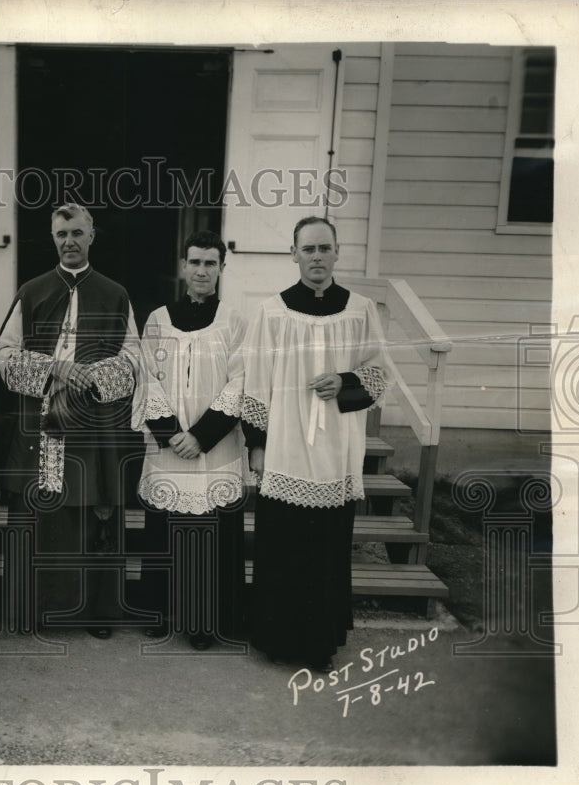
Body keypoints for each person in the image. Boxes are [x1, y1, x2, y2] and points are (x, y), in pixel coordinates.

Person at [241, 216, 392, 672]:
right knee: (282, 545)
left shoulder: (360, 310)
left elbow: (379, 373)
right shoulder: (272, 313)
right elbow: (255, 383)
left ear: (337, 253)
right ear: (294, 255)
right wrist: (258, 444)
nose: (317, 257)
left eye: (325, 248)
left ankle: (319, 642)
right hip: (286, 446)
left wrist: (345, 381)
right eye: (308, 249)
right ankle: (276, 637)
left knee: (325, 549)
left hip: (335, 450)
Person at [0, 203, 139, 639]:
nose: (69, 241)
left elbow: (133, 358)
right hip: (42, 423)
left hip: (92, 424)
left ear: (92, 236)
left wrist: (92, 378)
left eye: (77, 232)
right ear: (53, 239)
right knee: (40, 515)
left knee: (92, 514)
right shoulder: (33, 290)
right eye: (61, 234)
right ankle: (32, 610)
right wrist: (54, 370)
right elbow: (3, 354)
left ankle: (95, 612)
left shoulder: (115, 294)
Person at [132, 230, 247, 650]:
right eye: (195, 262)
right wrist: (171, 434)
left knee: (209, 533)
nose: (202, 270)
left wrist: (200, 436)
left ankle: (203, 622)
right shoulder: (158, 320)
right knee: (166, 528)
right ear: (183, 267)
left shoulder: (234, 321)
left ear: (221, 268)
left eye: (210, 263)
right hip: (169, 448)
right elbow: (146, 380)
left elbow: (240, 382)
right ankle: (160, 612)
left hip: (214, 447)